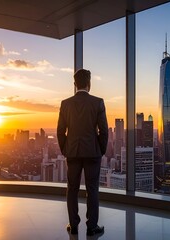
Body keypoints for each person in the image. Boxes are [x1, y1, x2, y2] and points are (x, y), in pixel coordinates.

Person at [57, 69, 108, 236]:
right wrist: (100, 149)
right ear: (89, 84)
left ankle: (73, 225)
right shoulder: (98, 102)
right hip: (93, 152)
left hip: (72, 152)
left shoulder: (65, 104)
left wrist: (65, 149)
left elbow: (60, 131)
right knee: (92, 189)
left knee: (72, 188)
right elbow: (104, 131)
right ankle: (92, 227)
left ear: (74, 84)